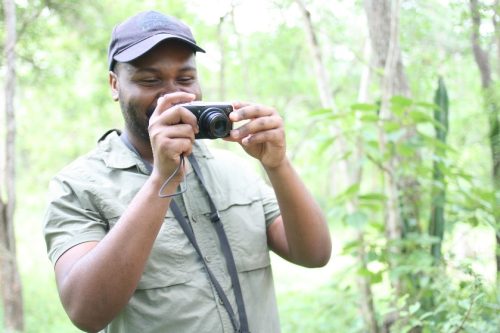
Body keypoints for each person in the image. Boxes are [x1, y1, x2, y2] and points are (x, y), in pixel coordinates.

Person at [43, 10, 331, 333]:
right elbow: (85, 311)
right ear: (114, 85)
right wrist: (160, 182)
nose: (173, 94)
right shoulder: (78, 186)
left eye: (185, 78)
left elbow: (314, 253)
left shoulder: (234, 170)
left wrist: (278, 165)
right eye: (150, 80)